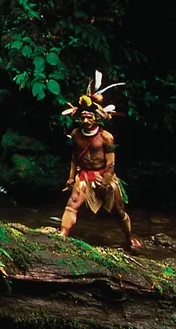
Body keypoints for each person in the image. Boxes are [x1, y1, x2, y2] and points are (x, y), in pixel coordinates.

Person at [58, 71, 139, 250]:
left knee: (118, 211)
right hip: (84, 177)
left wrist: (107, 182)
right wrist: (72, 177)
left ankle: (128, 238)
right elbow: (74, 157)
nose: (86, 120)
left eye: (89, 117)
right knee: (72, 204)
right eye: (83, 117)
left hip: (104, 176)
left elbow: (111, 162)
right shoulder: (76, 135)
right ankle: (63, 233)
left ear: (96, 117)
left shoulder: (106, 138)